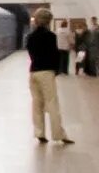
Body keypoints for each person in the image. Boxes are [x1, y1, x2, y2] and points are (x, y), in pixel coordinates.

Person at [25, 8, 72, 145]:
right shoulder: (51, 36)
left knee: (36, 103)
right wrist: (56, 70)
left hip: (34, 72)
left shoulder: (30, 37)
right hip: (46, 72)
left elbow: (31, 54)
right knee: (52, 103)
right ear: (48, 21)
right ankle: (59, 134)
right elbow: (54, 55)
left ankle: (39, 133)